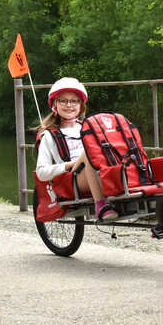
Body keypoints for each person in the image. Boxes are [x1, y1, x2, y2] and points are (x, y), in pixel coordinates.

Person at [35, 77, 118, 221]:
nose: (69, 105)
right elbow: (41, 173)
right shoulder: (48, 135)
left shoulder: (89, 128)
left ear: (81, 105)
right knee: (88, 152)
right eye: (63, 101)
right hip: (73, 178)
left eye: (74, 101)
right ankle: (101, 205)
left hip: (99, 169)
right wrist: (68, 165)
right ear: (55, 104)